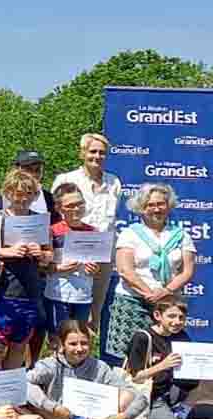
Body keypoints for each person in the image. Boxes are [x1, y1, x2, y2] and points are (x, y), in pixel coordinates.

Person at [27, 320, 147, 419]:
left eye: (84, 343)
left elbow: (139, 396)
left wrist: (124, 415)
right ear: (62, 344)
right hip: (57, 418)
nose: (79, 349)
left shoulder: (100, 367)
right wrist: (52, 406)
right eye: (73, 344)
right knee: (35, 400)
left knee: (126, 395)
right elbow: (25, 383)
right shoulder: (50, 365)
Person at [105, 183, 195, 362]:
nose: (156, 209)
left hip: (167, 305)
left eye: (161, 204)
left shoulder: (182, 235)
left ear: (168, 206)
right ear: (141, 208)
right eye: (150, 205)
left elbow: (187, 271)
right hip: (133, 303)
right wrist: (150, 294)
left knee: (163, 355)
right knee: (128, 357)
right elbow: (125, 270)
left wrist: (165, 292)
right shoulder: (129, 234)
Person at [0, 169, 52, 368]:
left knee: (20, 345)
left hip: (30, 292)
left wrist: (41, 253)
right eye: (19, 193)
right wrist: (5, 252)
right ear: (8, 193)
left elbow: (49, 257)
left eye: (29, 193)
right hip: (2, 292)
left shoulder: (39, 220)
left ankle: (10, 382)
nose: (24, 198)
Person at [52, 133, 122, 330]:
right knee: (63, 311)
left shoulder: (114, 182)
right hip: (71, 249)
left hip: (102, 252)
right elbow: (57, 215)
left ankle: (87, 347)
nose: (97, 156)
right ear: (82, 153)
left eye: (102, 153)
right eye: (92, 151)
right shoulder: (66, 179)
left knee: (94, 312)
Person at [126, 296, 197, 419]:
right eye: (171, 316)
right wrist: (163, 365)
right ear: (157, 315)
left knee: (204, 383)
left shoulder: (181, 336)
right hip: (151, 396)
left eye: (181, 317)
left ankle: (177, 415)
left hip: (173, 392)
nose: (177, 321)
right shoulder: (143, 337)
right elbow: (135, 378)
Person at [44, 182, 99, 350]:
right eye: (70, 205)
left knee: (79, 341)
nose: (76, 209)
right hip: (58, 296)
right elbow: (42, 267)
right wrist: (58, 269)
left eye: (79, 204)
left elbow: (97, 267)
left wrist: (94, 270)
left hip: (83, 297)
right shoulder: (52, 231)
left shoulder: (93, 232)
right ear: (59, 208)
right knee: (58, 342)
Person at [0, 150, 58, 222]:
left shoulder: (49, 199)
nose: (34, 174)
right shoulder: (3, 199)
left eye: (37, 170)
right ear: (17, 169)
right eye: (28, 169)